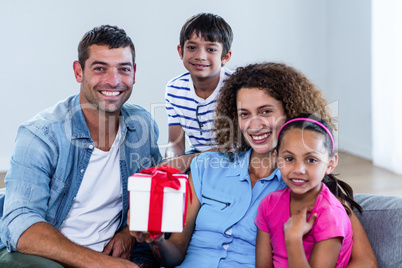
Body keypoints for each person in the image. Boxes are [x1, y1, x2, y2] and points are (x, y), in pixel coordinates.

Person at [132, 62, 378, 268]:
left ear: (290, 113)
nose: (254, 124)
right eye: (244, 114)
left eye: (266, 111)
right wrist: (155, 240)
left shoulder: (305, 183)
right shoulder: (205, 167)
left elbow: (365, 261)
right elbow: (175, 253)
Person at [0, 25, 162, 267]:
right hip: (46, 257)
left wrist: (128, 232)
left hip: (115, 254)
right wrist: (102, 264)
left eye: (123, 69)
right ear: (79, 71)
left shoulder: (142, 126)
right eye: (100, 68)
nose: (113, 81)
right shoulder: (41, 135)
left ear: (134, 73)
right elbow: (20, 223)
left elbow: (153, 194)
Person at [255, 114, 363, 268]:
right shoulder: (268, 203)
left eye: (311, 160)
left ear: (330, 164)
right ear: (277, 158)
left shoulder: (331, 215)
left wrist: (293, 240)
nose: (299, 169)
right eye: (289, 158)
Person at [163, 13, 233, 172]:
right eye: (192, 47)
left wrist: (187, 160)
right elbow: (175, 144)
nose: (200, 56)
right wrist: (171, 161)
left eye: (211, 49)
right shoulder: (174, 89)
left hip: (235, 161)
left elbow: (236, 147)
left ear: (225, 56)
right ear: (181, 51)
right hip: (199, 160)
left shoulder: (236, 86)